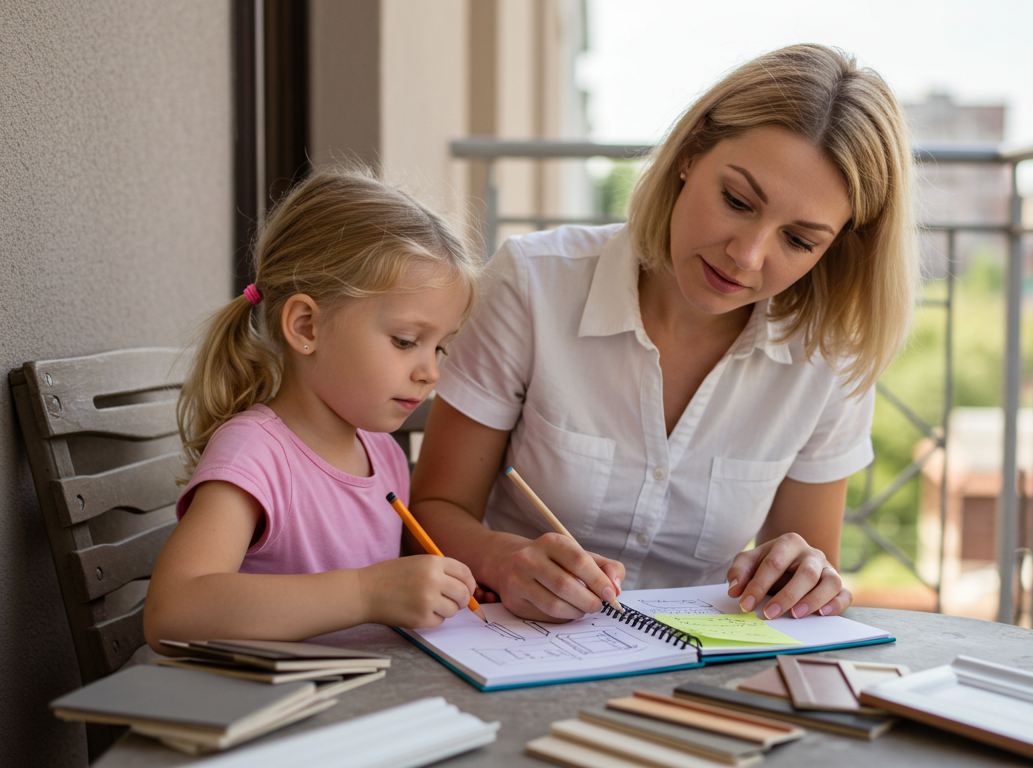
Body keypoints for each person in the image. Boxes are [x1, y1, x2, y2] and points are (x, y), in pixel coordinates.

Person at [409, 44, 917, 624]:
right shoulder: (534, 283)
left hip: (700, 668)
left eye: (799, 241)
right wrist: (504, 560)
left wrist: (803, 574)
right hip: (511, 639)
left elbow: (804, 568)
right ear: (692, 149)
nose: (747, 257)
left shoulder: (829, 355)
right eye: (736, 200)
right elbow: (433, 510)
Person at [144, 168, 484, 650]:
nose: (430, 372)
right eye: (406, 341)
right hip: (274, 713)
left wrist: (449, 585)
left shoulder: (382, 453)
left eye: (440, 348)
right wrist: (366, 593)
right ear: (306, 326)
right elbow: (172, 612)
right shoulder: (254, 452)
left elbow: (400, 581)